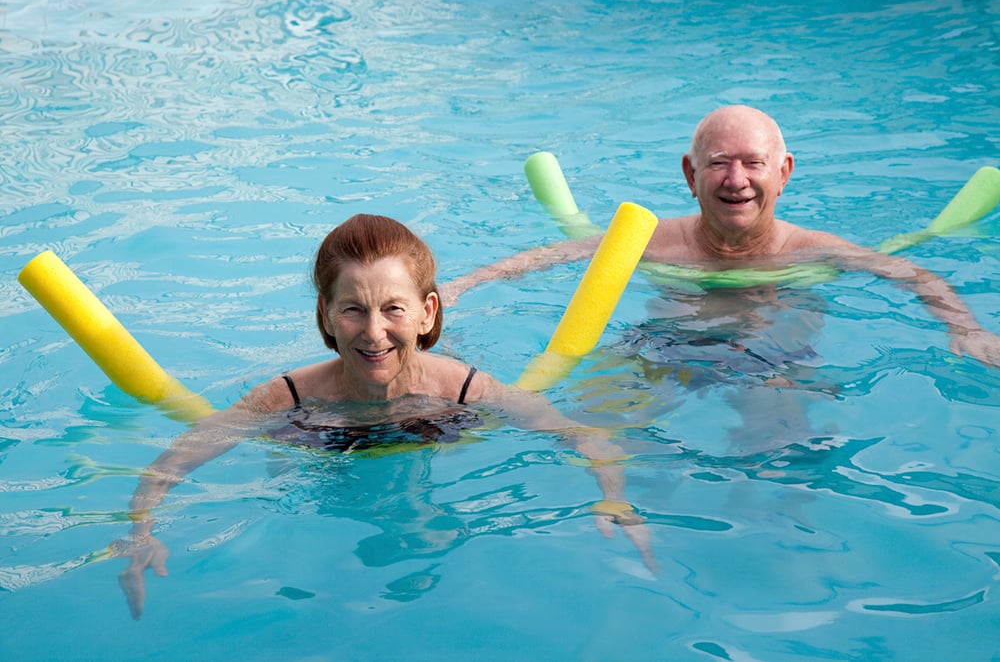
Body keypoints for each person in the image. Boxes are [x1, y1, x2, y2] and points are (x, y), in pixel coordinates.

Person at [114, 213, 656, 620]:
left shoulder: (465, 390)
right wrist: (142, 530)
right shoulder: (285, 401)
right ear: (326, 315)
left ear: (427, 313)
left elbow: (584, 436)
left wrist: (614, 497)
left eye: (393, 308)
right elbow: (174, 461)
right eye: (352, 309)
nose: (374, 333)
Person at [442, 104, 1000, 370]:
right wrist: (462, 287)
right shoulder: (652, 241)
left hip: (777, 350)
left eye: (753, 164)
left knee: (783, 434)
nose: (737, 180)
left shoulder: (813, 251)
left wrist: (967, 329)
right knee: (602, 409)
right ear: (689, 174)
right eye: (719, 164)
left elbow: (914, 275)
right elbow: (552, 256)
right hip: (666, 341)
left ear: (783, 173)